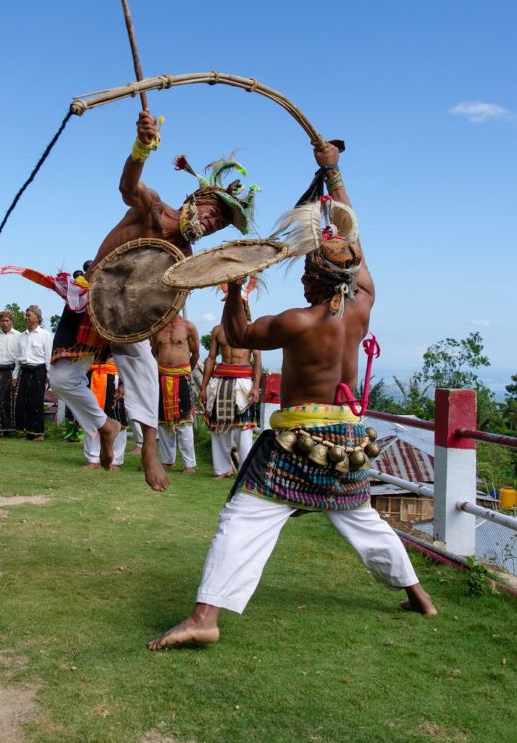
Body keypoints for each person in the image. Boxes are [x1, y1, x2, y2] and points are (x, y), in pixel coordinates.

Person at [149, 143, 435, 650]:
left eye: (305, 271)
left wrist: (234, 287)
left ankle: (205, 617)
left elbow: (237, 334)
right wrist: (332, 172)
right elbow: (352, 234)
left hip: (298, 441)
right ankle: (418, 596)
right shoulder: (363, 303)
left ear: (317, 281)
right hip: (348, 438)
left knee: (244, 515)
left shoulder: (297, 322)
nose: (299, 275)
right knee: (362, 519)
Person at [49, 111, 259, 491]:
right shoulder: (155, 209)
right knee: (62, 377)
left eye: (221, 223)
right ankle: (105, 426)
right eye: (214, 212)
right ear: (197, 198)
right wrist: (141, 147)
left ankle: (148, 446)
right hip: (95, 299)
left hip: (130, 322)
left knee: (143, 363)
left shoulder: (186, 255)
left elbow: (168, 304)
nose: (213, 223)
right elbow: (128, 187)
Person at [200, 313, 261, 478]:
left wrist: (256, 387)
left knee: (243, 428)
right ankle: (222, 469)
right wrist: (204, 387)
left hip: (243, 383)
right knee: (219, 426)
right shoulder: (218, 330)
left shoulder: (251, 329)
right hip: (220, 381)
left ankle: (245, 472)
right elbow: (211, 358)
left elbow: (257, 357)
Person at [151, 314, 199, 475]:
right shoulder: (157, 328)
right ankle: (167, 461)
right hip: (162, 376)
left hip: (182, 376)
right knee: (163, 422)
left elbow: (196, 353)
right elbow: (154, 353)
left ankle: (189, 464)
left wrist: (185, 372)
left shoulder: (188, 326)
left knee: (184, 422)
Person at [14, 305, 52, 441]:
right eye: (26, 315)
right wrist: (15, 375)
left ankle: (39, 433)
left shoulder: (45, 335)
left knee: (36, 402)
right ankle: (29, 432)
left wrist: (48, 375)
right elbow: (18, 357)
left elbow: (48, 357)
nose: (26, 317)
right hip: (25, 370)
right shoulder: (22, 336)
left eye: (29, 315)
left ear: (37, 317)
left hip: (39, 370)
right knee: (23, 401)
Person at [81, 359, 128, 470]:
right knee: (91, 420)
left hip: (115, 377)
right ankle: (93, 459)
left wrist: (124, 383)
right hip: (92, 376)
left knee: (118, 420)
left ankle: (115, 460)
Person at [0, 309, 21, 437]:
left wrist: (16, 375)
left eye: (7, 320)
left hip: (12, 370)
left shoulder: (19, 336)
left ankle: (9, 430)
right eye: (2, 321)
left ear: (11, 322)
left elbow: (20, 356)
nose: (4, 323)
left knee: (11, 400)